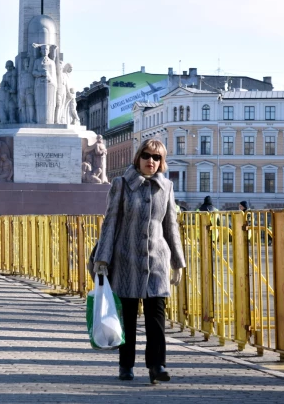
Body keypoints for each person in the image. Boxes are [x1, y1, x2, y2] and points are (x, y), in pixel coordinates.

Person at [91, 138, 186, 384]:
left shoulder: (166, 187)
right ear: (138, 157)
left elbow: (171, 226)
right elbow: (110, 223)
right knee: (129, 319)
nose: (151, 162)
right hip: (125, 261)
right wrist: (102, 258)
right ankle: (126, 366)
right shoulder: (121, 184)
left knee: (156, 319)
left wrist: (178, 261)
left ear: (162, 162)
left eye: (157, 158)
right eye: (147, 156)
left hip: (156, 262)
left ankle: (157, 366)